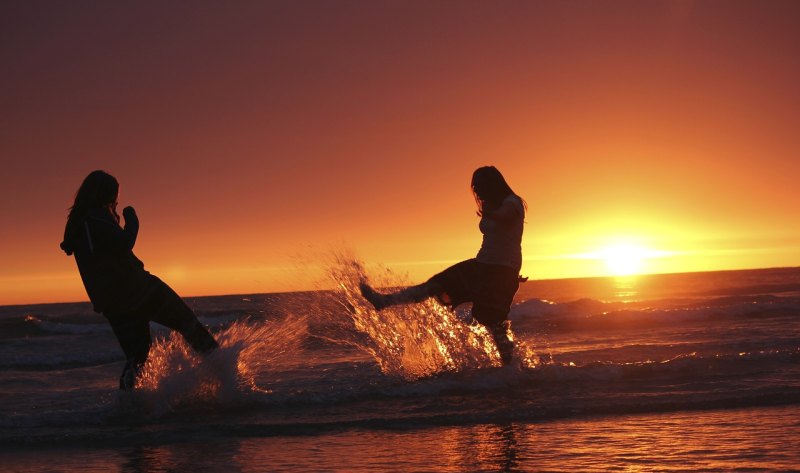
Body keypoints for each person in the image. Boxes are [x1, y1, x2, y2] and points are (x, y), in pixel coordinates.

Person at [60, 170, 218, 390]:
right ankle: (226, 375)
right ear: (103, 194)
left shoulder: (79, 224)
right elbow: (124, 244)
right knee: (189, 325)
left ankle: (129, 406)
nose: (115, 200)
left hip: (114, 304)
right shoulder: (94, 219)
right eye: (113, 194)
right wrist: (132, 220)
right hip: (140, 290)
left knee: (138, 358)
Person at [360, 166, 526, 365]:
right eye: (475, 186)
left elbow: (506, 217)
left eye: (480, 185)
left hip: (500, 269)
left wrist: (489, 211)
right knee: (435, 284)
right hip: (483, 264)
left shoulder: (512, 202)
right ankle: (385, 301)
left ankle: (510, 369)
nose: (477, 190)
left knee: (492, 319)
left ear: (493, 184)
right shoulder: (493, 205)